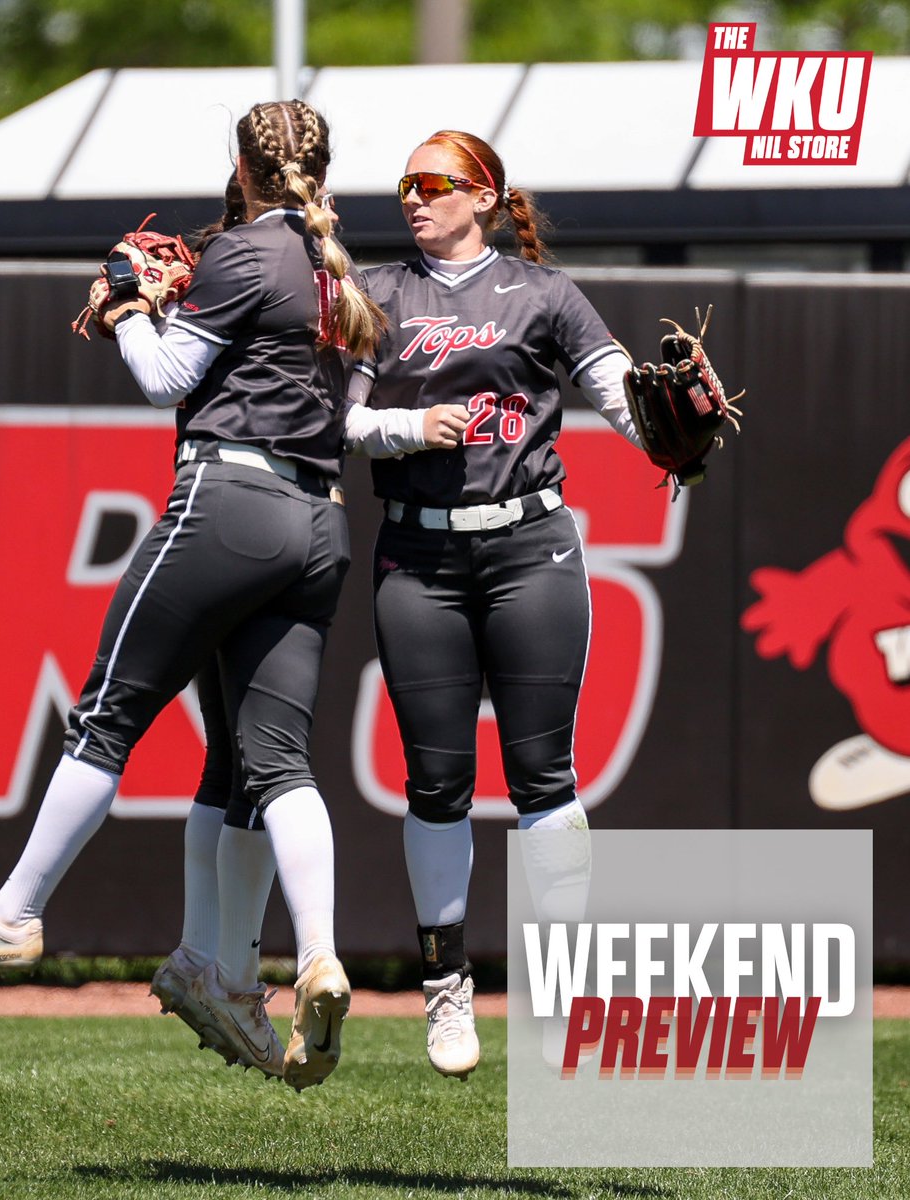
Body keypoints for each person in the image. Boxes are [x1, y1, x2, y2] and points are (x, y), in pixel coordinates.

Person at [0, 101, 465, 1092]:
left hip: (228, 502)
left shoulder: (247, 253)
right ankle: (310, 956)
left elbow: (166, 377)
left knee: (107, 716)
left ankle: (14, 912)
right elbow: (347, 415)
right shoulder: (344, 278)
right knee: (270, 762)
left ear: (243, 168)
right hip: (320, 523)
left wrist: (126, 305)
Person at [350, 130, 642, 1080]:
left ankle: (566, 997)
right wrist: (402, 426)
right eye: (404, 184)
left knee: (541, 778)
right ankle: (445, 993)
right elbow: (331, 417)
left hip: (529, 546)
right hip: (418, 551)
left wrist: (669, 431)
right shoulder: (380, 292)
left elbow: (619, 393)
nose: (413, 197)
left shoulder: (544, 292)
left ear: (483, 194)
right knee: (434, 782)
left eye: (433, 183)